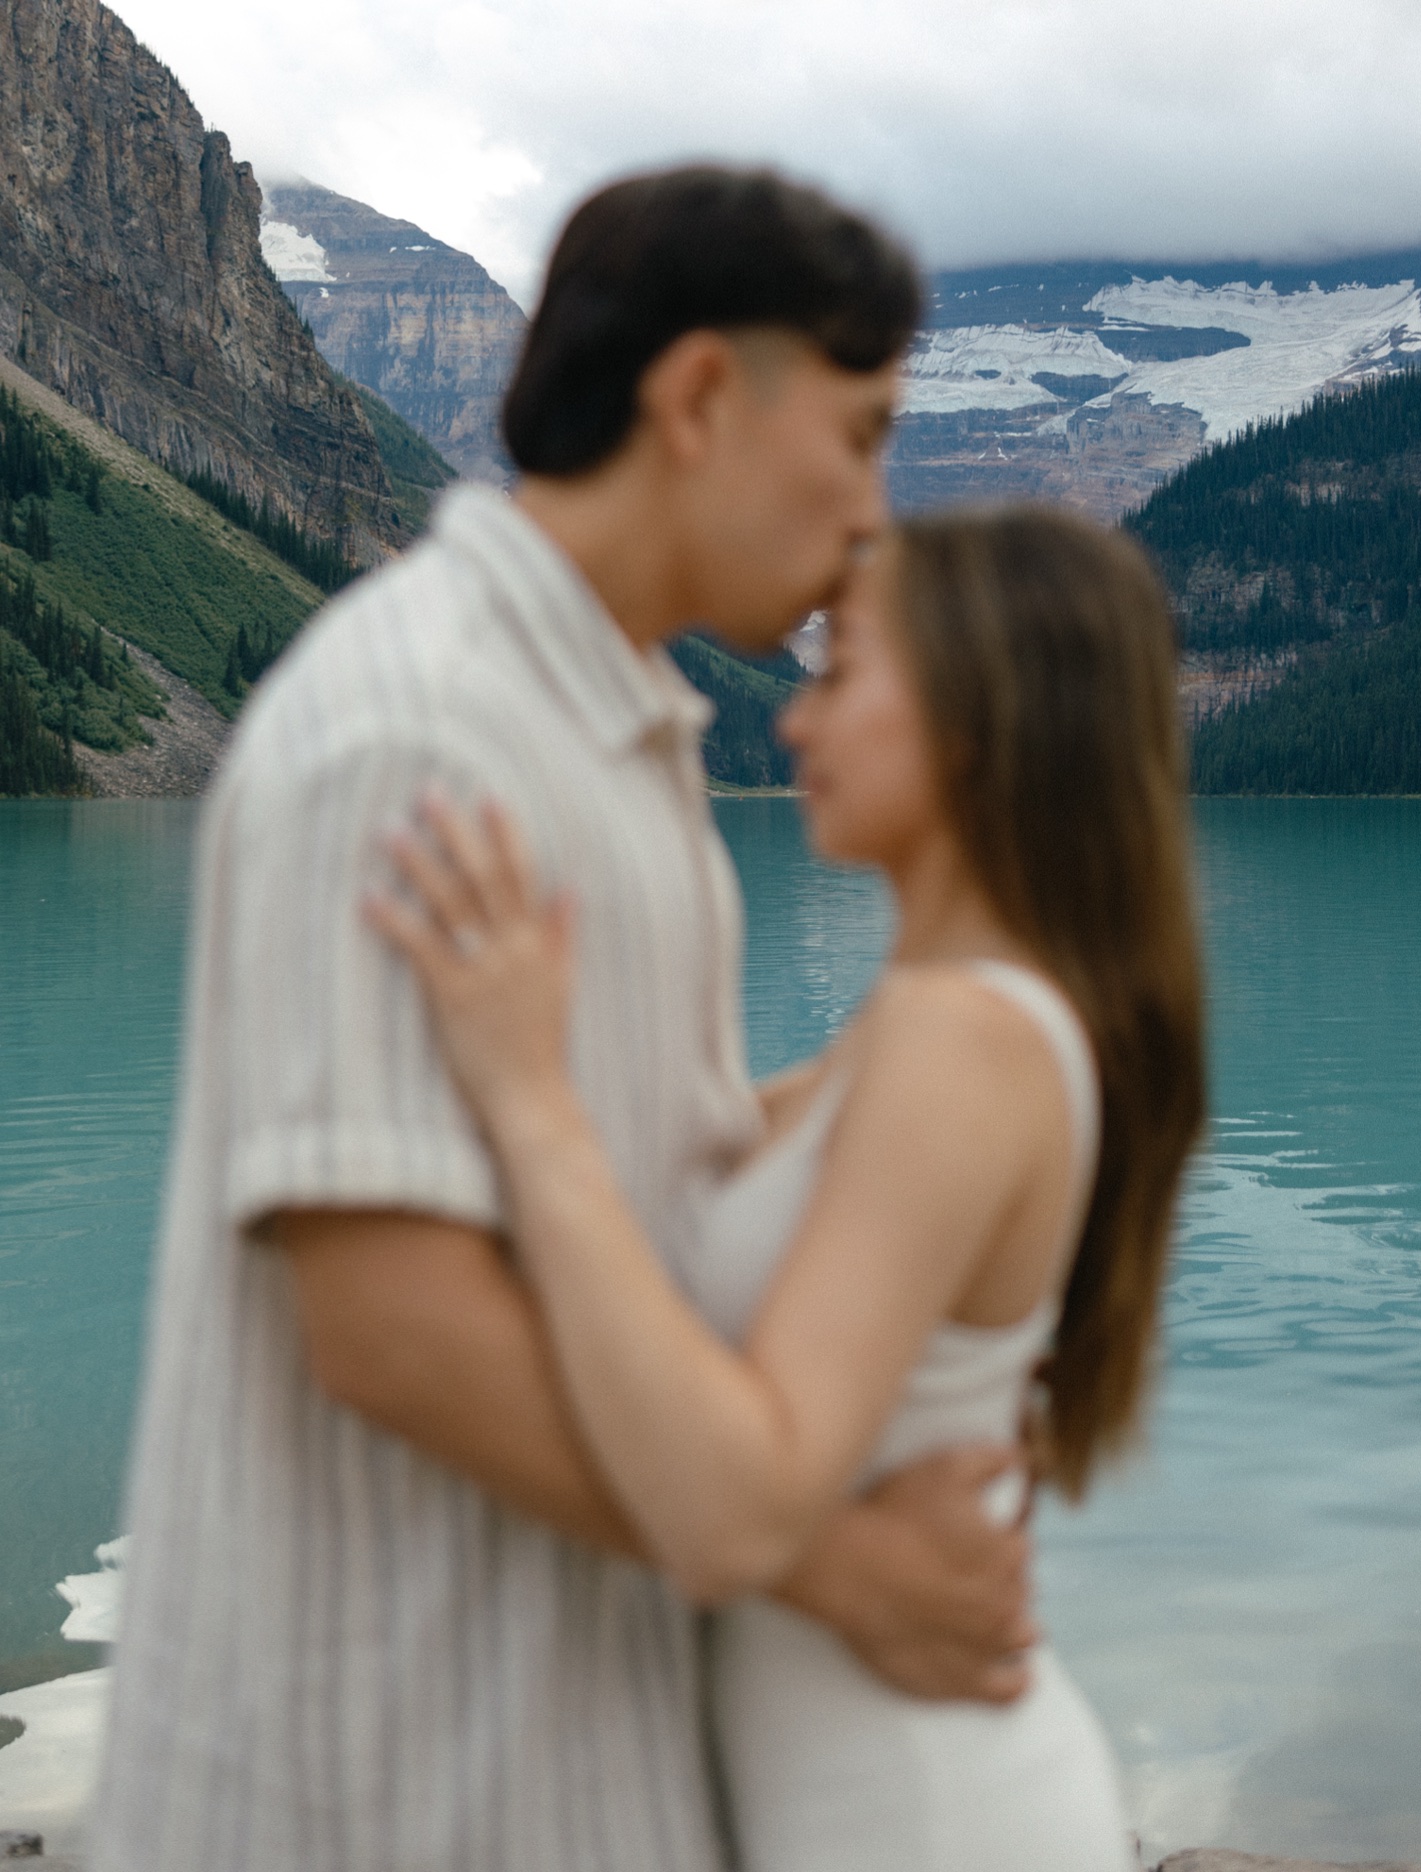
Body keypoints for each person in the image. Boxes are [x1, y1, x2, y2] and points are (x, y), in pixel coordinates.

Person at [90, 167, 1039, 1872]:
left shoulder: (613, 741)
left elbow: (634, 1179)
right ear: (697, 401)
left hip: (557, 1765)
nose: (873, 508)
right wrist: (834, 1562)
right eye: (861, 429)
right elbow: (391, 1327)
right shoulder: (422, 736)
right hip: (370, 1790)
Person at [368, 505, 1207, 1871]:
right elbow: (654, 1171)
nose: (797, 724)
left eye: (844, 673)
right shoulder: (914, 1040)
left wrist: (528, 1102)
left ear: (977, 720)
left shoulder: (967, 1042)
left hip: (924, 1818)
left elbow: (731, 1511)